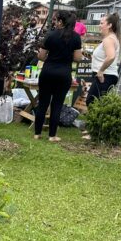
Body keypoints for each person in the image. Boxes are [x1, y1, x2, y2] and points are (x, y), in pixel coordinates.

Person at [33, 10, 83, 142]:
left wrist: (51, 59)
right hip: (64, 73)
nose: (54, 23)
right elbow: (78, 58)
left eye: (56, 20)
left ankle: (37, 133)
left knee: (43, 103)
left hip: (48, 71)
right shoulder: (76, 37)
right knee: (57, 105)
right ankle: (52, 135)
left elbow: (41, 56)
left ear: (60, 21)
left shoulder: (51, 35)